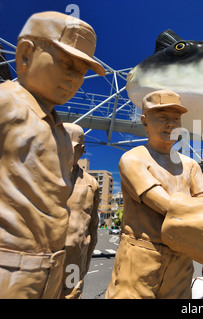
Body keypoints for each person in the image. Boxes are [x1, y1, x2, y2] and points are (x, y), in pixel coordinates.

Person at [0, 11, 105, 298]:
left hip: (51, 269)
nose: (74, 78)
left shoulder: (59, 131)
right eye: (65, 62)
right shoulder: (6, 103)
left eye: (82, 71)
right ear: (24, 55)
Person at [105, 90, 203, 299]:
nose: (171, 124)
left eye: (176, 118)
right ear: (145, 121)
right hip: (141, 255)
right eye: (162, 117)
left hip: (181, 257)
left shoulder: (191, 165)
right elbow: (165, 205)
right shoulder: (133, 159)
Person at [59, 123, 99, 299]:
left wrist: (85, 262)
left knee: (71, 294)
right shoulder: (37, 175)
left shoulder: (91, 184)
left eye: (72, 147)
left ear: (82, 150)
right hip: (42, 258)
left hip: (74, 261)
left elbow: (93, 229)